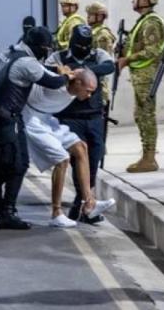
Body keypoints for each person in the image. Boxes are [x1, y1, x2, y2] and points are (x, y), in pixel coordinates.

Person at [0, 26, 66, 230]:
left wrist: (57, 71)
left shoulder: (12, 52)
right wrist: (66, 75)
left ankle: (3, 210)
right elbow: (52, 83)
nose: (46, 52)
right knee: (11, 167)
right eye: (46, 48)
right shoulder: (26, 62)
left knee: (17, 165)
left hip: (5, 117)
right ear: (38, 46)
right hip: (4, 118)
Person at [27, 61, 116, 227]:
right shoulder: (57, 83)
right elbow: (41, 70)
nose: (89, 96)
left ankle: (89, 204)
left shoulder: (75, 89)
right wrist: (59, 71)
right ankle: (56, 213)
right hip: (31, 119)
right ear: (79, 83)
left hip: (46, 119)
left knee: (81, 147)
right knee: (62, 159)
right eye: (88, 91)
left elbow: (110, 66)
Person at [48, 25, 115, 222]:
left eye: (86, 46)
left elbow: (109, 66)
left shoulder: (98, 54)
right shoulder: (60, 56)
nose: (83, 50)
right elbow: (49, 68)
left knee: (94, 159)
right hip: (70, 117)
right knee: (76, 160)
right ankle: (83, 204)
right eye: (79, 46)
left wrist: (84, 72)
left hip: (94, 116)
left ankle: (84, 203)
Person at [117, 0, 164, 173]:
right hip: (140, 75)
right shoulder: (143, 21)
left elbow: (153, 50)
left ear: (145, 0)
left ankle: (149, 158)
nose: (133, 1)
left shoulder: (151, 23)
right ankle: (146, 156)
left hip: (146, 76)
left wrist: (127, 59)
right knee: (140, 115)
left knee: (146, 115)